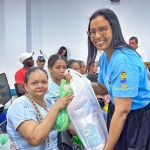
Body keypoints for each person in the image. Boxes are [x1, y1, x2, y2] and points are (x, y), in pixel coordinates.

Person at [87, 8, 150, 150]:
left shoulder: (123, 60)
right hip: (116, 110)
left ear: (114, 29)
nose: (97, 35)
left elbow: (123, 111)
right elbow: (104, 88)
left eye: (103, 29)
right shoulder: (104, 57)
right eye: (93, 31)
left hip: (134, 118)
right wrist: (83, 84)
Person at [7, 67, 73, 149]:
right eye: (34, 83)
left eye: (44, 82)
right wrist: (56, 107)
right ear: (26, 87)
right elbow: (35, 139)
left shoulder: (48, 100)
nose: (40, 86)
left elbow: (70, 127)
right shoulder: (19, 105)